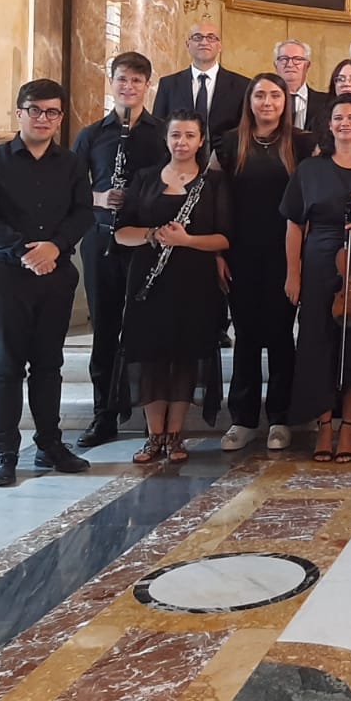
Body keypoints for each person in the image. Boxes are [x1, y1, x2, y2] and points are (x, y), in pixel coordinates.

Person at [0, 80, 94, 487]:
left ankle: (50, 444)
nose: (43, 118)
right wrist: (25, 250)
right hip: (6, 276)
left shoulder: (72, 164)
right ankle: (4, 453)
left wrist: (55, 247)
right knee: (7, 367)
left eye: (52, 112)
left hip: (55, 276)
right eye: (35, 110)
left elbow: (82, 214)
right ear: (19, 112)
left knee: (49, 365)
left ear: (60, 117)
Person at [282, 97, 351, 464]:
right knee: (319, 346)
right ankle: (324, 426)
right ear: (329, 126)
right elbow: (294, 225)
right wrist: (293, 274)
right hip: (318, 265)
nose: (345, 123)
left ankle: (348, 426)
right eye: (338, 118)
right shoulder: (310, 170)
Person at [113, 110, 230, 464]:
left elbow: (225, 238)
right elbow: (121, 232)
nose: (182, 142)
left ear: (200, 141)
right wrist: (151, 235)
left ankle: (176, 435)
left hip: (195, 281)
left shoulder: (213, 184)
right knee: (149, 356)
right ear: (166, 139)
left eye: (189, 136)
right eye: (175, 135)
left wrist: (186, 240)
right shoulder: (146, 178)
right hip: (148, 280)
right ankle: (154, 436)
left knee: (184, 356)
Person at [71, 52, 164, 449]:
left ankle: (149, 414)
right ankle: (104, 413)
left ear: (147, 86)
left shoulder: (162, 133)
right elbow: (70, 189)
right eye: (122, 80)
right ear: (111, 82)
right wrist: (99, 195)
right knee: (105, 327)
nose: (129, 87)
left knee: (146, 327)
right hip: (101, 239)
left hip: (143, 239)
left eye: (137, 81)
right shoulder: (91, 135)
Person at [216, 73, 312, 452]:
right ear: (249, 101)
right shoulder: (228, 142)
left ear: (285, 102)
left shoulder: (303, 144)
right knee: (246, 336)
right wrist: (219, 255)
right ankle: (242, 419)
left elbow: (309, 205)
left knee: (280, 336)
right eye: (260, 95)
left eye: (275, 95)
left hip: (286, 253)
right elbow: (217, 203)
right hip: (240, 251)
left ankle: (281, 417)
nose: (267, 102)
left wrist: (300, 264)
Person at [152, 19, 252, 151]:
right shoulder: (168, 84)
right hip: (177, 160)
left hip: (226, 162)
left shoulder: (242, 85)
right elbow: (159, 127)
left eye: (211, 37)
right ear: (188, 44)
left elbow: (246, 130)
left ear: (219, 45)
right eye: (197, 37)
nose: (204, 42)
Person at [276, 40, 328, 133]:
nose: (290, 64)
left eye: (297, 59)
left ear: (307, 65)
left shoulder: (326, 102)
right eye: (284, 59)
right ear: (276, 65)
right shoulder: (266, 102)